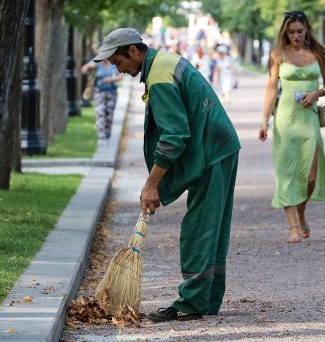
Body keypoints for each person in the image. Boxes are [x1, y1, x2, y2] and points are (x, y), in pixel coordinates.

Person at [93, 28, 241, 322]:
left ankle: (191, 302)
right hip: (218, 146)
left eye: (117, 61)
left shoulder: (159, 75)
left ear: (134, 51)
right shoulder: (163, 63)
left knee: (200, 228)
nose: (117, 69)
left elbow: (174, 137)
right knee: (212, 227)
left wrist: (152, 184)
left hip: (211, 150)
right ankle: (205, 300)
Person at [259, 11, 325, 244]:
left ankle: (301, 213)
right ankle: (293, 226)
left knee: (310, 175)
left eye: (300, 31)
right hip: (285, 118)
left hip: (309, 117)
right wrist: (264, 120)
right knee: (287, 172)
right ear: (285, 32)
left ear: (307, 29)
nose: (296, 36)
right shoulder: (278, 54)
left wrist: (316, 93)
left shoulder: (319, 54)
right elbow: (272, 88)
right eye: (291, 32)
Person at [81, 57, 123, 146]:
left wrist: (111, 79)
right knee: (100, 112)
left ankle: (107, 135)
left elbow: (121, 76)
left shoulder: (113, 62)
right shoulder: (97, 62)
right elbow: (83, 70)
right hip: (99, 92)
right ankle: (101, 137)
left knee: (109, 114)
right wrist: (90, 65)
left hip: (112, 92)